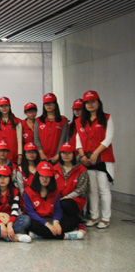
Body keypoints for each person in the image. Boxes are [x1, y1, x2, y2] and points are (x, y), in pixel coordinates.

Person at [76, 90, 114, 229]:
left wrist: (96, 153)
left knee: (103, 188)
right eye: (87, 102)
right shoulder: (80, 121)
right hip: (87, 159)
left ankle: (105, 218)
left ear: (98, 103)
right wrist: (83, 156)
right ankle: (94, 216)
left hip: (102, 158)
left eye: (92, 101)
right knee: (92, 189)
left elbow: (108, 138)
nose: (90, 104)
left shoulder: (107, 118)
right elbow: (78, 140)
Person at [23, 161, 83, 240]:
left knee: (73, 221)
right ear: (37, 176)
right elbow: (30, 212)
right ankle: (65, 236)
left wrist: (56, 221)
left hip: (51, 218)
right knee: (30, 223)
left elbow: (57, 209)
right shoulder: (28, 192)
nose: (45, 179)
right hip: (38, 220)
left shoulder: (55, 191)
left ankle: (40, 235)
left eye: (48, 177)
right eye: (42, 176)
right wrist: (46, 224)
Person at [0, 165, 31, 243]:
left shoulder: (15, 191)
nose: (2, 179)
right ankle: (14, 237)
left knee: (26, 219)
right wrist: (1, 224)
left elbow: (15, 211)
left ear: (10, 178)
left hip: (10, 221)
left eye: (5, 176)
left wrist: (10, 224)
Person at [54, 143, 88, 233]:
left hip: (75, 201)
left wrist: (66, 197)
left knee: (65, 204)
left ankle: (79, 221)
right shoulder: (54, 169)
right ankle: (76, 222)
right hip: (58, 200)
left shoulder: (81, 169)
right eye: (63, 153)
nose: (66, 155)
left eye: (69, 153)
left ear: (73, 154)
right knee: (65, 222)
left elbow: (81, 189)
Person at [34, 93, 68, 163]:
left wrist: (58, 154)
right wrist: (41, 153)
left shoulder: (63, 120)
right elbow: (36, 138)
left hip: (58, 157)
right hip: (42, 157)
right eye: (46, 104)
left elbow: (63, 139)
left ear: (55, 104)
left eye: (51, 103)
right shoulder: (38, 120)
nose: (48, 106)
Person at [0, 97, 22, 165]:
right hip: (0, 155)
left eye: (6, 105)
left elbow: (19, 140)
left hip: (13, 154)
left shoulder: (17, 121)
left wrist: (20, 155)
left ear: (9, 106)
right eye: (1, 106)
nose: (4, 108)